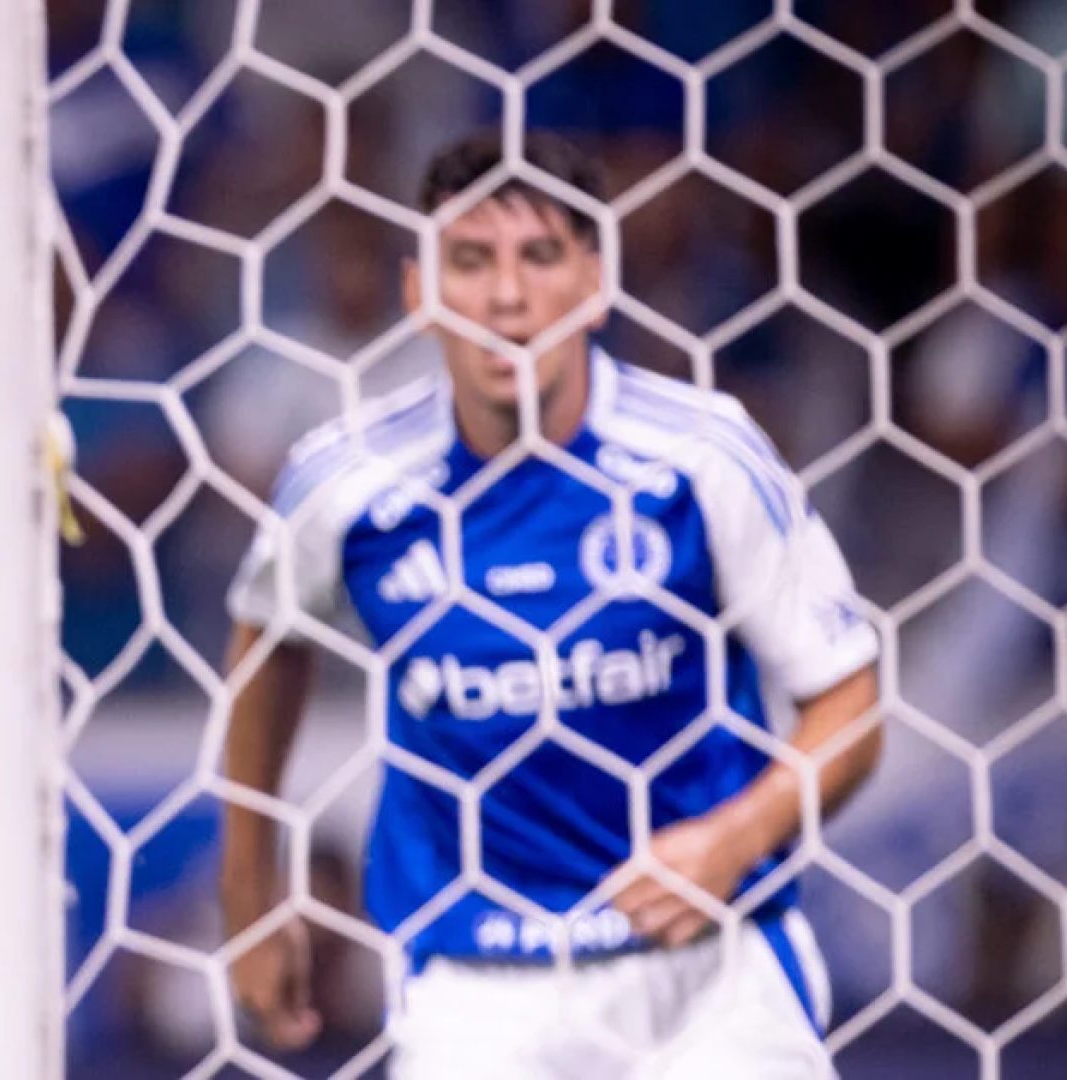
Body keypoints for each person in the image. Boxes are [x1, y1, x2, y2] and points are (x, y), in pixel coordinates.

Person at [219, 130, 882, 1077]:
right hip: (479, 983)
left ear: (596, 280)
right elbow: (266, 639)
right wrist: (249, 895)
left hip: (711, 970)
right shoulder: (347, 482)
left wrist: (738, 836)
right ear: (420, 291)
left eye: (539, 257)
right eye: (471, 261)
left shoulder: (701, 457)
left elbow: (850, 706)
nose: (505, 296)